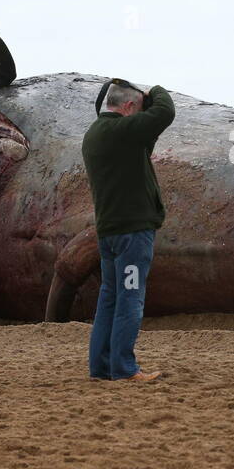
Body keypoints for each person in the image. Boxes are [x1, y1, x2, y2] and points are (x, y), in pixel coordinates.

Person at [81, 79, 176, 381]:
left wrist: (142, 104)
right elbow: (165, 113)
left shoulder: (95, 134)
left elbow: (145, 140)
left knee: (109, 298)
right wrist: (155, 91)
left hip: (109, 234)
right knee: (130, 298)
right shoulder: (121, 131)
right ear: (129, 106)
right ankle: (124, 369)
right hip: (132, 236)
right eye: (137, 107)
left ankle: (101, 367)